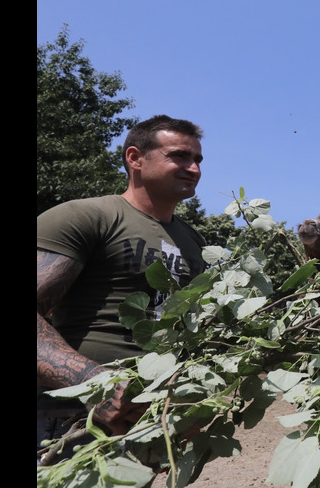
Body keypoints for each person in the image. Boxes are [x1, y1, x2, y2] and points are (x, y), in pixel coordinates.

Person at [37, 115, 206, 463]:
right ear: (135, 158)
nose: (194, 168)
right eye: (179, 156)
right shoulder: (87, 217)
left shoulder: (194, 242)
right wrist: (95, 385)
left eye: (198, 160)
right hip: (69, 418)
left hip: (145, 420)